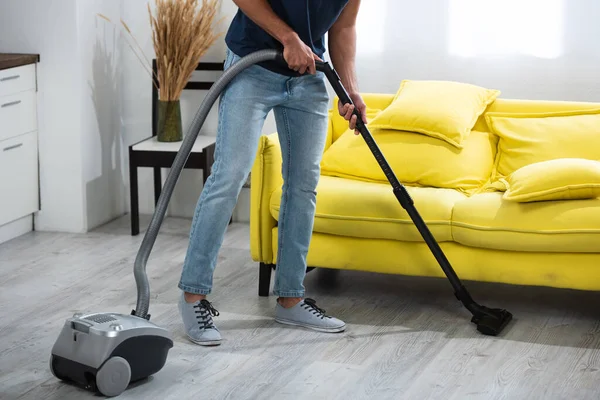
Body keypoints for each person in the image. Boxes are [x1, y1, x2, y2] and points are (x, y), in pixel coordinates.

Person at [177, 0, 367, 346]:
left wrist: (349, 88)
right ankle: (193, 297)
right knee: (229, 176)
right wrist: (288, 37)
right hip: (251, 67)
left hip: (308, 76)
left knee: (303, 186)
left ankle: (291, 299)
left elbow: (343, 27)